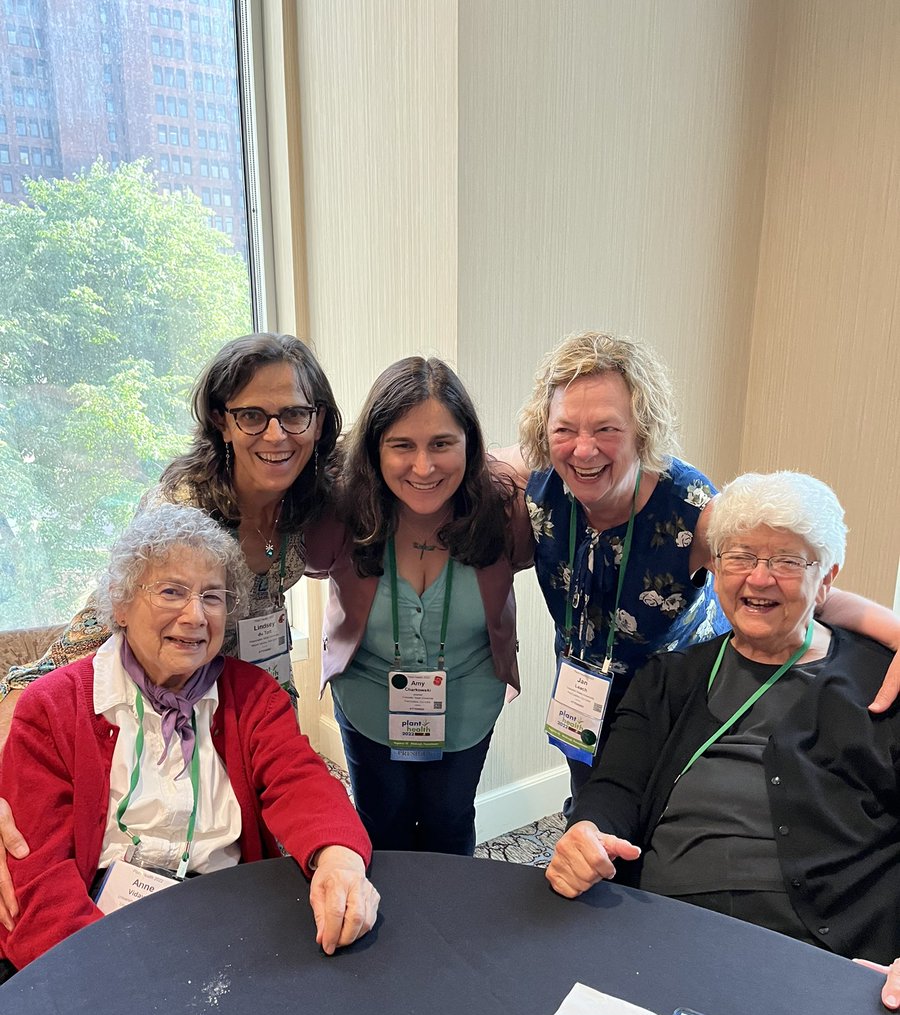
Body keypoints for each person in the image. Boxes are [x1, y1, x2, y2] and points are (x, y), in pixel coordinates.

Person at [0, 331, 342, 929]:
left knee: (273, 809)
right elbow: (85, 643)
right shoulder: (180, 509)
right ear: (221, 420)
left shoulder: (311, 493)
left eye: (294, 413)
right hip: (159, 680)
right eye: (252, 415)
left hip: (243, 690)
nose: (276, 433)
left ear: (316, 420)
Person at [498, 331, 900, 796]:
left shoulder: (694, 511)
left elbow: (785, 585)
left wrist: (893, 632)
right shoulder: (535, 482)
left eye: (607, 429)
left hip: (675, 705)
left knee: (663, 824)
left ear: (642, 429)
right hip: (582, 693)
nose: (583, 450)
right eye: (565, 429)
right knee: (593, 800)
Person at [0, 504, 378, 975]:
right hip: (93, 929)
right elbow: (37, 879)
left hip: (223, 912)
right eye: (172, 592)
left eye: (213, 597)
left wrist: (339, 858)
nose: (195, 615)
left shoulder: (252, 695)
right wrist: (107, 971)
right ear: (120, 603)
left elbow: (300, 781)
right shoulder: (53, 707)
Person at [545, 471, 900, 964]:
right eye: (741, 556)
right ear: (714, 568)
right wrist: (587, 827)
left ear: (827, 580)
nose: (759, 577)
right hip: (664, 922)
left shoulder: (881, 683)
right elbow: (616, 787)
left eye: (786, 560)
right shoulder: (670, 676)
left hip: (822, 949)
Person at [304, 356, 533, 856]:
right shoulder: (342, 506)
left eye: (442, 444)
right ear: (374, 450)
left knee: (450, 824)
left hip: (470, 697)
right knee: (379, 826)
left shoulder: (504, 505)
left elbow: (551, 452)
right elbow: (293, 543)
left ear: (469, 445)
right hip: (366, 695)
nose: (424, 467)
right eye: (402, 445)